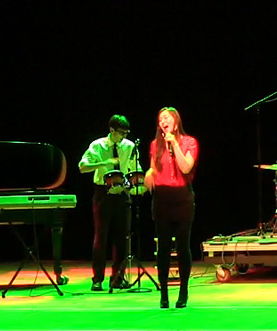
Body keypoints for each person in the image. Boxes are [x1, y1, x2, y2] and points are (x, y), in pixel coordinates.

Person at [79, 115, 140, 291]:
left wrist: (137, 182)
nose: (124, 137)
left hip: (121, 194)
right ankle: (97, 279)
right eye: (121, 133)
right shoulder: (97, 145)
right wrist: (103, 162)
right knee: (101, 236)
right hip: (103, 193)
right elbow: (82, 167)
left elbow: (135, 167)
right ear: (112, 130)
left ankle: (118, 278)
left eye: (126, 133)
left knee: (122, 238)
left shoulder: (129, 146)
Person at [144, 107, 197, 309]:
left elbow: (186, 167)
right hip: (162, 199)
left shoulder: (189, 142)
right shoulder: (155, 145)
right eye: (160, 119)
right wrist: (149, 173)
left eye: (166, 118)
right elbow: (153, 168)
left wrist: (174, 144)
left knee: (183, 246)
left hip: (182, 197)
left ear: (175, 121)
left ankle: (183, 292)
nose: (163, 121)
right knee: (164, 247)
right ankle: (164, 294)